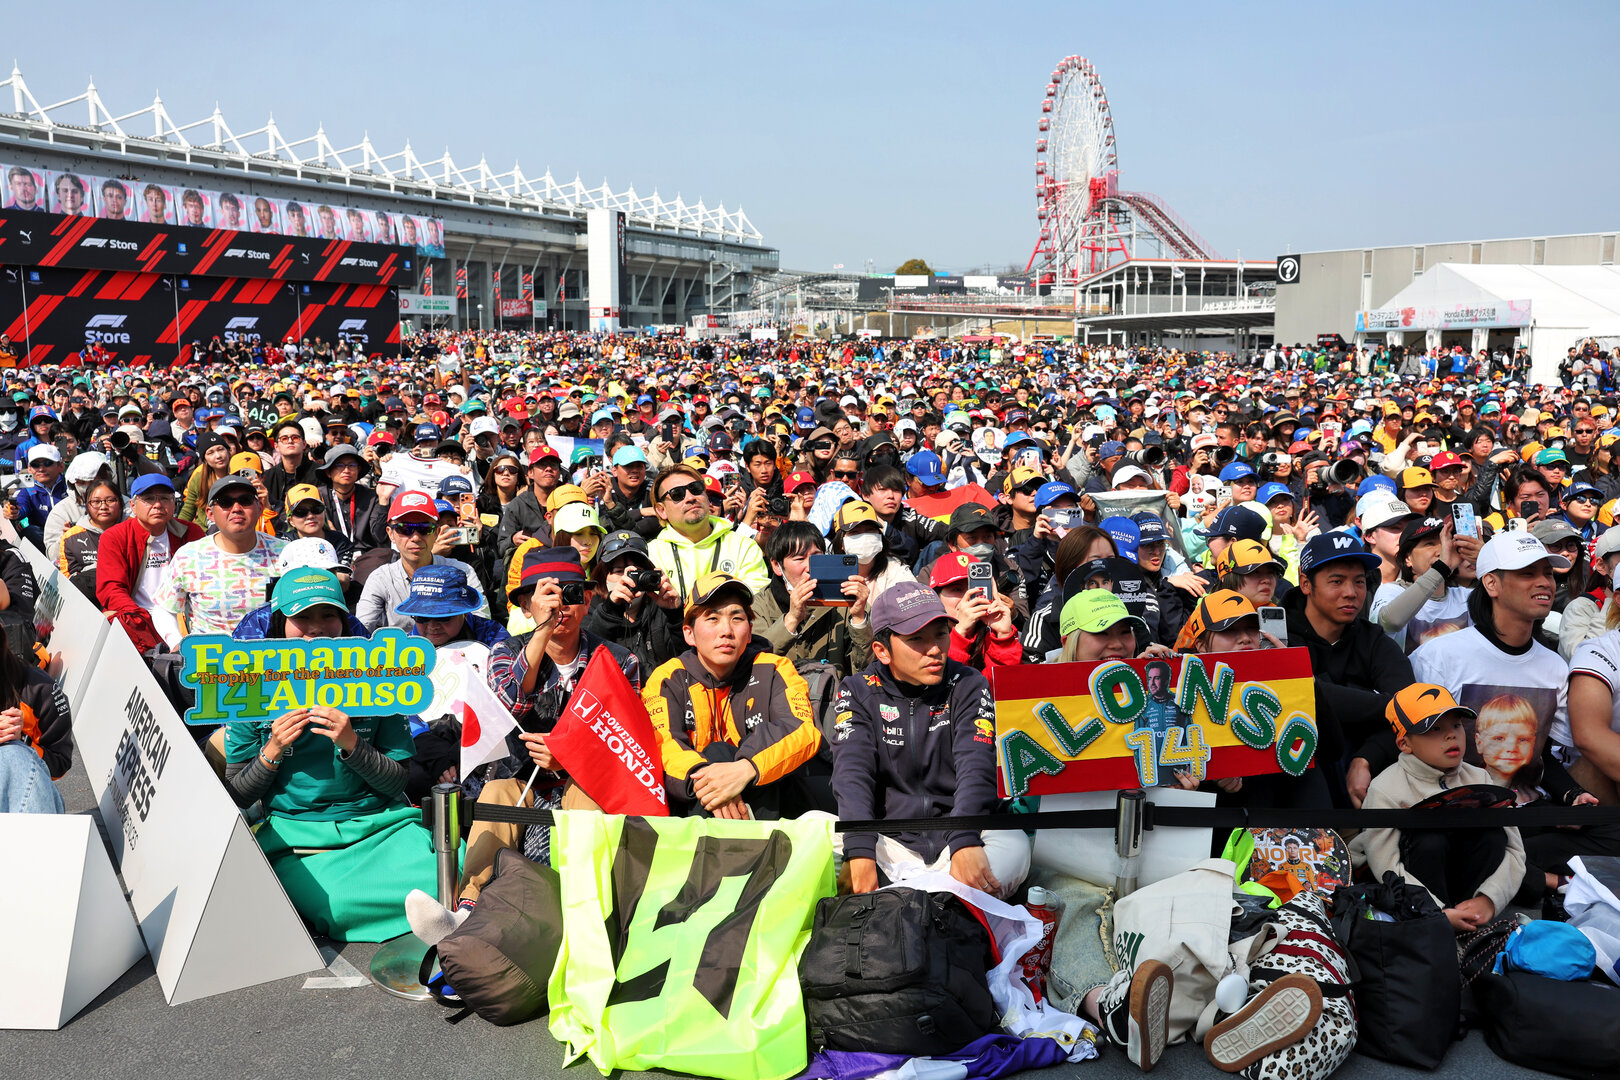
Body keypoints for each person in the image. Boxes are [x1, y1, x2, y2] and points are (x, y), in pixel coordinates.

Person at [222, 569, 439, 942]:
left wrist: (352, 745)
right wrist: (272, 750)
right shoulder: (250, 686)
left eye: (328, 615)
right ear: (280, 622)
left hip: (381, 825)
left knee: (452, 867)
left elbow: (398, 780)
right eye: (301, 618)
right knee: (339, 904)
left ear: (344, 620)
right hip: (299, 837)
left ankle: (440, 922)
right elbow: (238, 795)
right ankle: (425, 919)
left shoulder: (380, 678)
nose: (316, 628)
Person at [829, 579, 1030, 898]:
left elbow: (976, 767)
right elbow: (852, 774)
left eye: (940, 634)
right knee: (812, 827)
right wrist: (860, 851)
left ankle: (901, 902)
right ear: (882, 650)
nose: (935, 648)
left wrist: (964, 839)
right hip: (886, 842)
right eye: (917, 639)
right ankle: (941, 901)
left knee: (1016, 846)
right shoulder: (857, 690)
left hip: (957, 840)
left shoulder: (968, 683)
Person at [465, 548, 638, 896]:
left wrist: (570, 757)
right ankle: (468, 903)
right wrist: (543, 630)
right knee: (494, 793)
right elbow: (510, 701)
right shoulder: (504, 652)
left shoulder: (620, 661)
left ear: (588, 601)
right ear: (526, 607)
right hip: (519, 779)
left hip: (586, 781)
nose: (560, 605)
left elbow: (627, 744)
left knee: (588, 801)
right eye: (546, 595)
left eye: (571, 593)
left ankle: (587, 903)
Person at [644, 572, 821, 818]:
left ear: (749, 632)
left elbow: (802, 730)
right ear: (689, 634)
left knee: (728, 753)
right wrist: (712, 786)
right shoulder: (667, 679)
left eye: (737, 618)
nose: (726, 631)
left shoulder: (775, 668)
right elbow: (663, 745)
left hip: (769, 799)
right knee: (715, 754)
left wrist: (745, 768)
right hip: (695, 804)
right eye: (713, 618)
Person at [1350, 684, 1526, 933]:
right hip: (1415, 899)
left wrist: (1489, 899)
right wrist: (1436, 913)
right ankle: (1439, 929)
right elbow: (1385, 866)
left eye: (1456, 725)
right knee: (1431, 841)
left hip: (1468, 891)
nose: (1452, 735)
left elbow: (1514, 849)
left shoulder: (1481, 778)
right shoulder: (1385, 788)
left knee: (1492, 836)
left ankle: (1470, 920)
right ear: (1405, 744)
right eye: (1434, 729)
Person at [155, 472, 285, 642]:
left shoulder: (285, 553)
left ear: (260, 507)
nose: (236, 508)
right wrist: (176, 643)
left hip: (273, 660)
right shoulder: (189, 557)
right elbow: (164, 608)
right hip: (210, 662)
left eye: (245, 500)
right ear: (210, 513)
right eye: (225, 503)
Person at [96, 473, 204, 653]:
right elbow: (111, 590)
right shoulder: (115, 537)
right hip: (137, 617)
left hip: (182, 615)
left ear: (173, 503)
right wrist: (143, 619)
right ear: (132, 505)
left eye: (164, 498)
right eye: (148, 499)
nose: (158, 505)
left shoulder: (191, 532)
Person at [751, 520, 873, 675]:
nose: (809, 568)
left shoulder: (846, 601)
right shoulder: (759, 606)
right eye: (799, 559)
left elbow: (867, 672)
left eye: (816, 558)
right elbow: (754, 666)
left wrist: (859, 619)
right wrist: (791, 619)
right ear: (776, 566)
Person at [357, 490, 488, 631]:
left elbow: (483, 625)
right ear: (390, 534)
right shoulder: (380, 578)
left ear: (437, 533)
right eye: (405, 528)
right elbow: (360, 633)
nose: (415, 537)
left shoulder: (463, 572)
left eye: (425, 529)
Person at [647, 464, 769, 602]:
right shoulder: (651, 554)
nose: (690, 497)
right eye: (677, 494)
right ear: (661, 510)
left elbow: (758, 602)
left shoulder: (743, 546)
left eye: (696, 488)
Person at [0, 619, 73, 813]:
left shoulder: (42, 690)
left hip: (29, 793)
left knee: (13, 753)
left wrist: (23, 740)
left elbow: (60, 764)